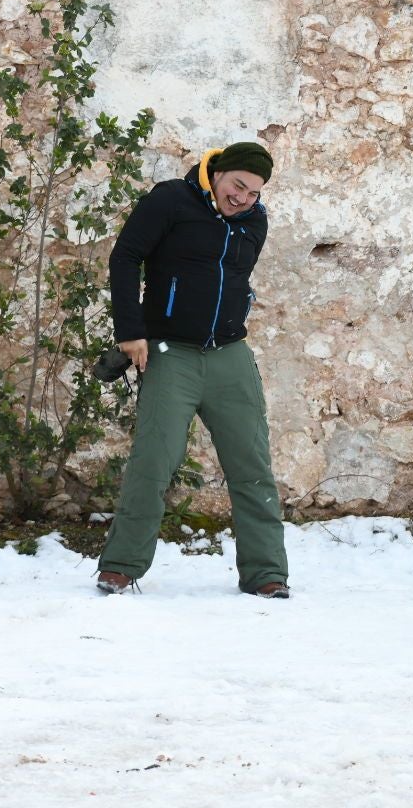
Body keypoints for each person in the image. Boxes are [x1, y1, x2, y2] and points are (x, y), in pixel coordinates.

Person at [95, 142, 289, 599]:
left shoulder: (254, 222)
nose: (242, 198)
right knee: (153, 460)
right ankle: (122, 565)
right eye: (238, 185)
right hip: (170, 353)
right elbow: (125, 258)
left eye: (254, 192)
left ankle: (266, 572)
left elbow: (233, 280)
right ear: (217, 173)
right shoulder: (170, 200)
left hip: (229, 357)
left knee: (252, 464)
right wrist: (131, 331)